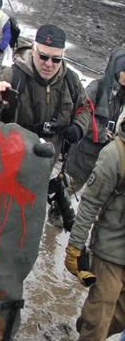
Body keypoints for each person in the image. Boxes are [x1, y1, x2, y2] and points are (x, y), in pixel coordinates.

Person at [0, 25, 91, 157]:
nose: (49, 64)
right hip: (8, 160)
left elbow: (85, 107)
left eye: (56, 59)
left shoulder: (71, 81)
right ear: (33, 50)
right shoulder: (11, 76)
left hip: (47, 163)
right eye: (43, 57)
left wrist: (79, 127)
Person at [66, 117, 125, 341]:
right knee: (99, 320)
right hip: (110, 253)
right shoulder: (115, 154)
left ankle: (85, 326)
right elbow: (89, 203)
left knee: (117, 319)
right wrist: (75, 246)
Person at [66, 49, 125, 189]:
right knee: (67, 190)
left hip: (101, 161)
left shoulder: (121, 97)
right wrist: (102, 133)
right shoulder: (96, 88)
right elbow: (80, 115)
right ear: (117, 70)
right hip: (81, 157)